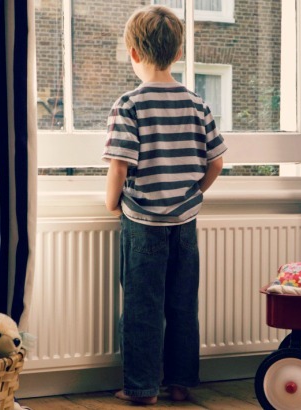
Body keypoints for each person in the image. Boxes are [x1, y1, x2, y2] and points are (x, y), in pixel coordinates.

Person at [101, 4, 227, 405]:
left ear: (134, 54)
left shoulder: (130, 104)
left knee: (142, 306)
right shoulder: (197, 103)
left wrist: (111, 204)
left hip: (142, 223)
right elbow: (217, 161)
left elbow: (119, 166)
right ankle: (180, 383)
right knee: (182, 304)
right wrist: (194, 194)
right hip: (184, 223)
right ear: (177, 54)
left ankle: (140, 387)